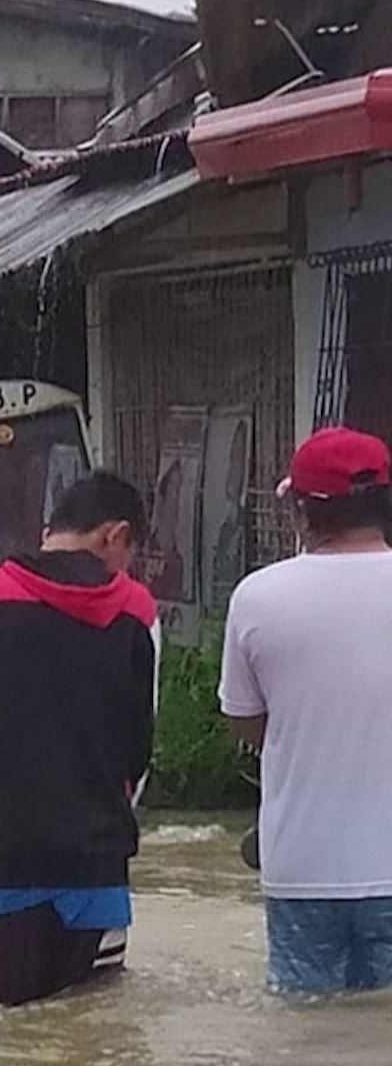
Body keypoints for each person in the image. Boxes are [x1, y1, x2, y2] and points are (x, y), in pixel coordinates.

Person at [0, 471, 156, 1007]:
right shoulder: (137, 611)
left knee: (12, 1034)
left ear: (49, 531)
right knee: (96, 1033)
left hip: (5, 867)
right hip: (98, 872)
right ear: (114, 535)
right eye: (130, 550)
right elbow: (140, 751)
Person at [219, 427, 392, 996]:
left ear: (300, 511)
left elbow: (245, 721)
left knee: (305, 1039)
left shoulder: (257, 598)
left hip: (303, 870)